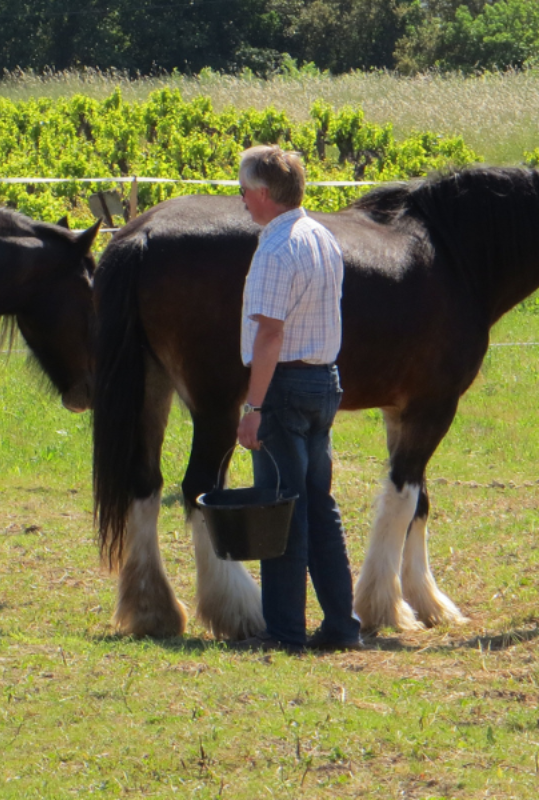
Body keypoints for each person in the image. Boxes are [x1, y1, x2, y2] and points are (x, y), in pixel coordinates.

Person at [228, 145, 363, 654]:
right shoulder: (321, 236)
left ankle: (284, 632)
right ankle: (341, 625)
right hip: (324, 381)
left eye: (244, 190)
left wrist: (253, 407)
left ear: (264, 193)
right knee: (319, 506)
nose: (242, 199)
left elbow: (269, 335)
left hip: (284, 388)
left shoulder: (275, 250)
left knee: (281, 509)